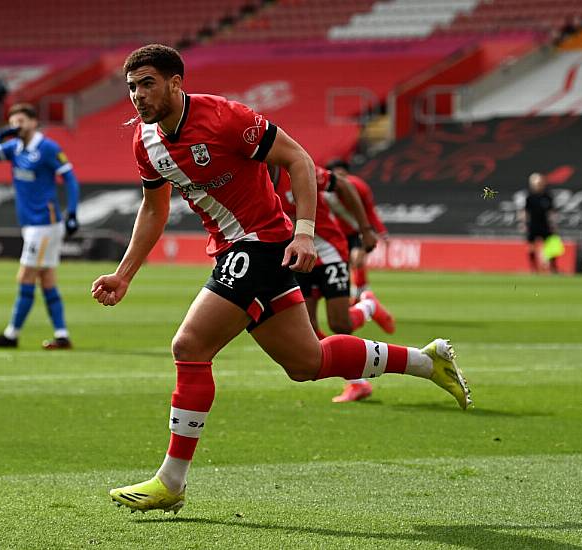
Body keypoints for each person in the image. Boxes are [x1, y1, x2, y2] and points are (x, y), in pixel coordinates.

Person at [91, 44, 471, 514]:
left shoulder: (226, 118)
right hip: (234, 249)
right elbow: (154, 207)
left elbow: (299, 160)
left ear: (175, 83)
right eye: (131, 87)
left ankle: (171, 480)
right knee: (306, 363)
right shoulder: (144, 141)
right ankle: (426, 361)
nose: (137, 95)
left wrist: (305, 233)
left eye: (147, 83)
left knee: (189, 347)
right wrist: (124, 274)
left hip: (262, 242)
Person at [271, 163, 394, 403]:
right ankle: (357, 384)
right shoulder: (251, 181)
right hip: (297, 255)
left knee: (341, 324)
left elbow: (345, 186)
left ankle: (367, 305)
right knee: (306, 330)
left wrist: (365, 229)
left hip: (328, 251)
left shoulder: (295, 169)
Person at [0, 103, 80, 349]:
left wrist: (73, 212)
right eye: (13, 122)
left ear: (34, 122)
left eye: (21, 121)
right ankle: (62, 335)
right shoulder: (14, 148)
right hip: (30, 224)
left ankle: (12, 335)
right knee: (47, 279)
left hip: (44, 222)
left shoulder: (47, 148)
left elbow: (70, 179)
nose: (17, 126)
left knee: (25, 276)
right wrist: (0, 135)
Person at [325, 159, 389, 299]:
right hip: (341, 232)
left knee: (357, 259)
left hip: (360, 230)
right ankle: (360, 291)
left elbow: (370, 210)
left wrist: (381, 231)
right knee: (345, 263)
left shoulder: (359, 187)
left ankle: (360, 290)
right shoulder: (326, 192)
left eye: (342, 174)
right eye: (337, 175)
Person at [519, 172, 558, 273]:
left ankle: (553, 268)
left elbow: (551, 212)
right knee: (531, 247)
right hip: (533, 225)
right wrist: (523, 223)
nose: (538, 185)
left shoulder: (547, 196)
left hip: (545, 225)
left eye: (540, 183)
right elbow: (525, 212)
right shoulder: (530, 197)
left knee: (551, 247)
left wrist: (553, 224)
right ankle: (534, 268)